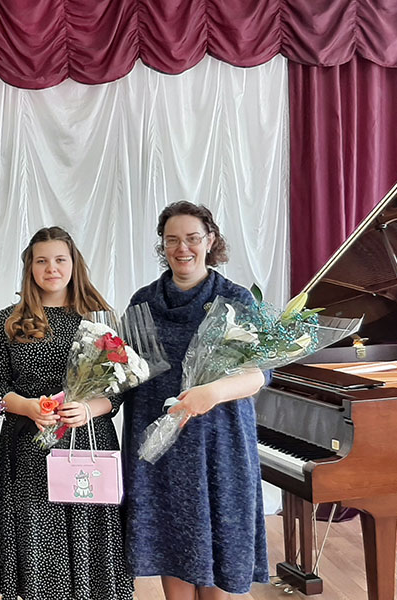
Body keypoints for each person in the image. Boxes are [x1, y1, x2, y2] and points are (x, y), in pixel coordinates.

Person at [122, 201, 269, 599]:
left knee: (219, 550)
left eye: (192, 238)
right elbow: (126, 372)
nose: (182, 248)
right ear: (162, 245)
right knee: (170, 544)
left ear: (210, 240)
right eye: (172, 240)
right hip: (159, 446)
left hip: (219, 446)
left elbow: (260, 373)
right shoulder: (143, 301)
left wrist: (212, 393)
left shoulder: (236, 299)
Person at [0, 226, 134, 600]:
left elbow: (118, 389)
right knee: (39, 547)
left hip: (88, 447)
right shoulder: (9, 320)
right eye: (42, 261)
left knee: (90, 546)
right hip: (29, 450)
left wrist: (88, 408)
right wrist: (28, 407)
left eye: (60, 260)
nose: (51, 268)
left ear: (73, 263)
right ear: (30, 267)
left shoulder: (100, 316)